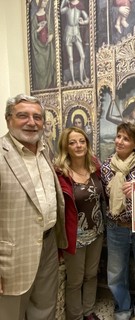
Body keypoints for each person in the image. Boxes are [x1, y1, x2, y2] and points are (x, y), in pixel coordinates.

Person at [0, 94, 67, 319]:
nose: (32, 122)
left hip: (47, 244)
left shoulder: (44, 150)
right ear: (9, 119)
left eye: (37, 117)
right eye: (23, 116)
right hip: (12, 256)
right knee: (11, 314)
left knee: (44, 309)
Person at [101, 123, 135, 320]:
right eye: (118, 137)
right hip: (116, 227)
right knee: (116, 272)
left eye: (125, 138)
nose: (119, 141)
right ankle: (122, 307)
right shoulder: (106, 166)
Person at [54, 127, 105, 320]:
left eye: (82, 141)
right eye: (73, 142)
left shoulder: (94, 167)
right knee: (75, 280)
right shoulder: (60, 174)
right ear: (65, 146)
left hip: (97, 231)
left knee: (91, 274)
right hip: (74, 235)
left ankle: (88, 311)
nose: (78, 146)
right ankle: (75, 316)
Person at [60, 0, 89, 85]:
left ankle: (81, 78)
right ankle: (73, 80)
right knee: (71, 58)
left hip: (76, 32)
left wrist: (83, 22)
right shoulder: (68, 6)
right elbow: (61, 11)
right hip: (68, 32)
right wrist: (64, 1)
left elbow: (87, 18)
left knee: (82, 56)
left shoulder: (80, 5)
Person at [31, 0, 56, 90]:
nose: (46, 3)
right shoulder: (34, 18)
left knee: (49, 68)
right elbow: (32, 33)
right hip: (38, 48)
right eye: (44, 1)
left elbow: (52, 29)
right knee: (41, 69)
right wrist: (39, 29)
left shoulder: (48, 16)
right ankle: (42, 89)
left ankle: (51, 87)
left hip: (48, 47)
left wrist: (51, 36)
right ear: (40, 3)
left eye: (46, 1)